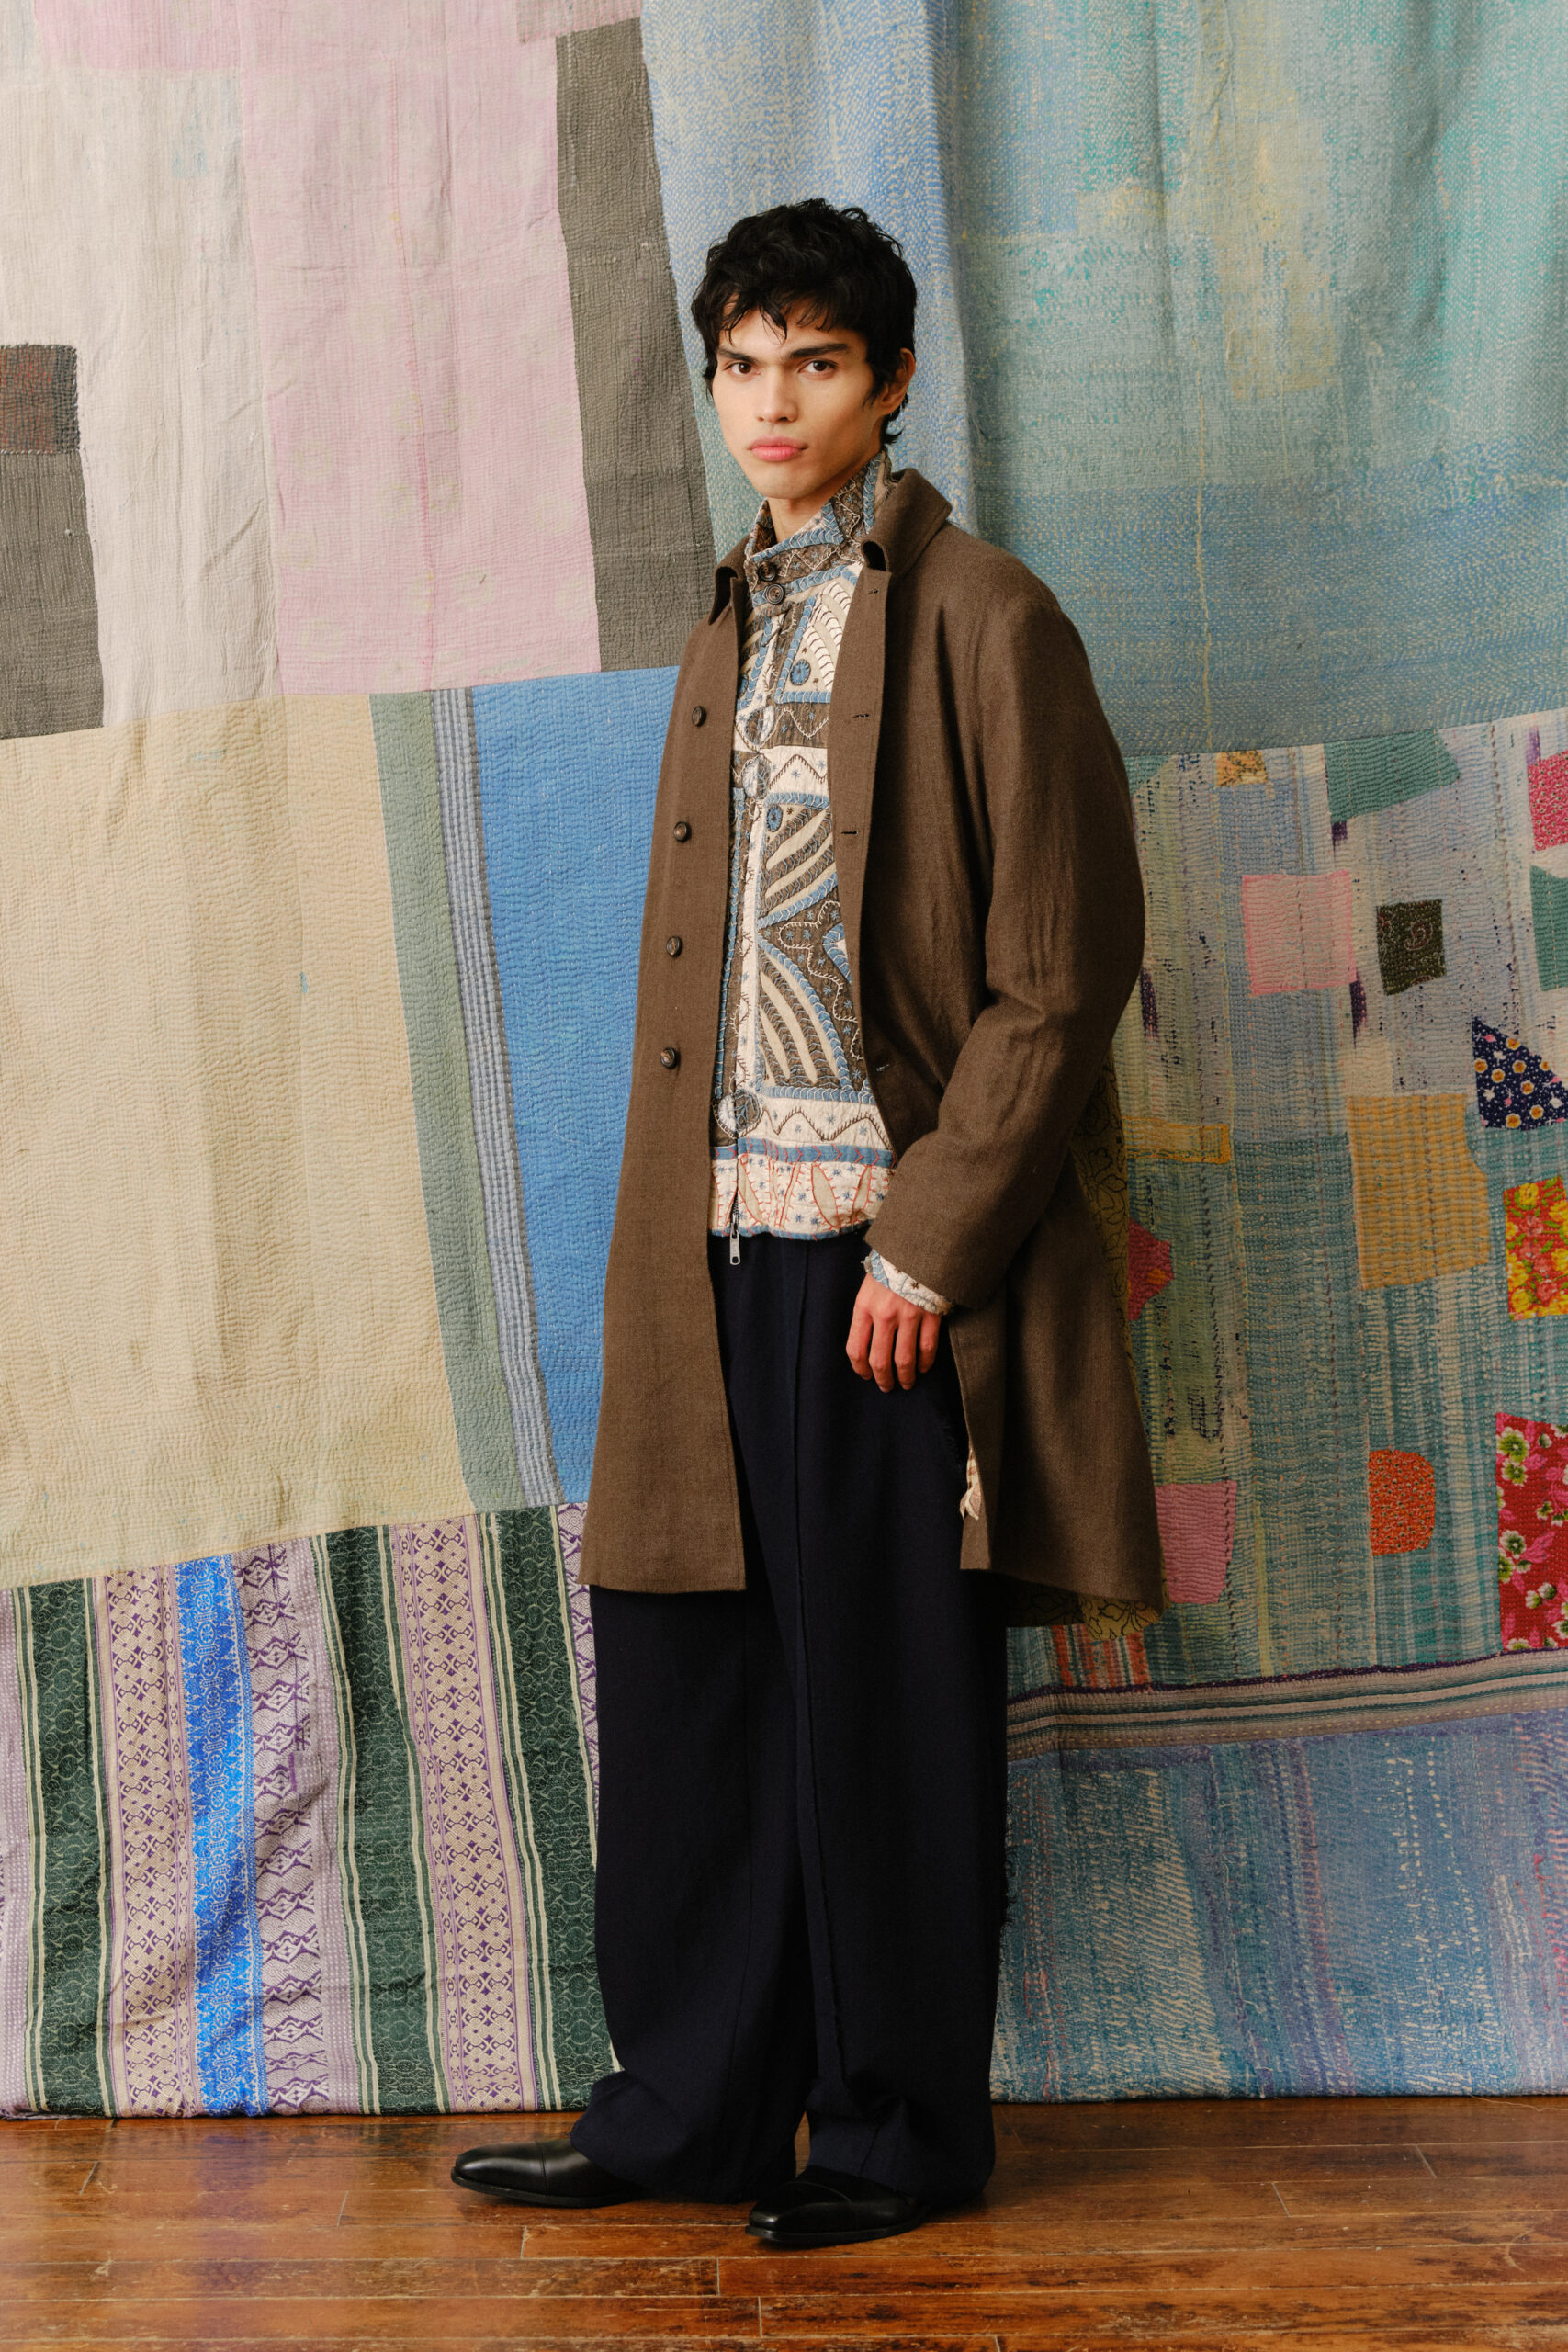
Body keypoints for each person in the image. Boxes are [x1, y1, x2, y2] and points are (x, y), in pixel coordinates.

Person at [452, 198, 1161, 2249]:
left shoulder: (988, 620)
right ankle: (685, 2109)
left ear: (892, 380)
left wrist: (927, 1245)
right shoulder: (729, 619)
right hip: (707, 1249)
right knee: (693, 1677)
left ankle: (893, 2134)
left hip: (883, 1259)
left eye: (817, 364)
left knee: (880, 1703)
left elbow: (1059, 967)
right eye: (742, 366)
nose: (773, 404)